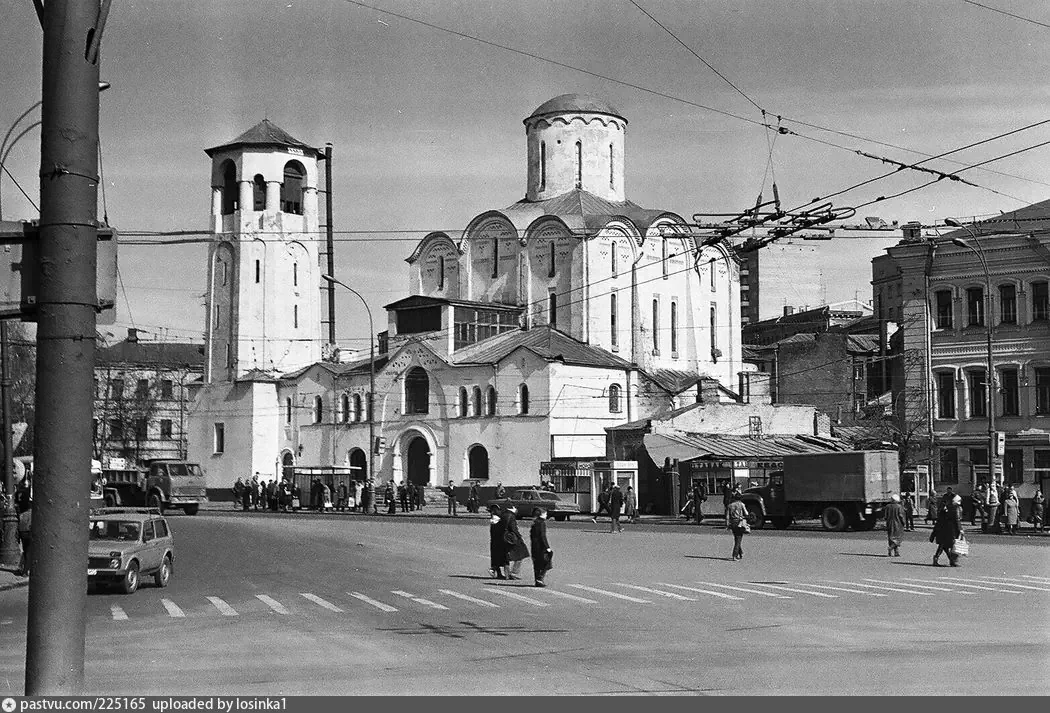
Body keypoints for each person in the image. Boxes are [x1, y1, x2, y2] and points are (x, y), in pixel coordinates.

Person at [931, 494, 962, 567]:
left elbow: (940, 518)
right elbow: (957, 520)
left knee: (943, 545)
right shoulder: (956, 508)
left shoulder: (946, 507)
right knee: (946, 545)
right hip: (950, 530)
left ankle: (947, 560)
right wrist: (960, 529)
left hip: (942, 528)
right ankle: (950, 560)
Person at [501, 505, 529, 580]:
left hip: (503, 537)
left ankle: (507, 574)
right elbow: (513, 528)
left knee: (506, 556)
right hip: (512, 538)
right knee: (521, 554)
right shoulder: (511, 516)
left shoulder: (503, 515)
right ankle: (514, 572)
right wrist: (519, 537)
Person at [530, 507, 553, 587]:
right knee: (546, 562)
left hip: (534, 546)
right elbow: (542, 536)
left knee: (536, 564)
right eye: (546, 513)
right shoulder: (542, 523)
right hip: (541, 546)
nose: (546, 515)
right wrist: (547, 547)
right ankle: (540, 578)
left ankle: (537, 580)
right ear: (542, 514)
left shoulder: (534, 522)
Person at [726, 492, 749, 561]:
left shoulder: (730, 505)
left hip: (732, 523)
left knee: (736, 538)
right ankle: (734, 555)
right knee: (738, 539)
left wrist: (727, 524)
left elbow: (727, 516)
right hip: (739, 522)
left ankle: (740, 553)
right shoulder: (741, 504)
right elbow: (746, 513)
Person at [488, 505, 507, 579]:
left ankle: (498, 573)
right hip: (498, 541)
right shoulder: (497, 519)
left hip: (494, 541)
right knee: (498, 558)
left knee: (495, 558)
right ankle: (493, 570)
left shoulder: (494, 519)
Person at [16, 501, 32, 577]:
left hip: (22, 534)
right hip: (29, 534)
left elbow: (19, 525)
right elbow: (31, 525)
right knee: (29, 553)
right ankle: (25, 571)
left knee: (25, 551)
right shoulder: (32, 514)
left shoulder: (22, 514)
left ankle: (21, 568)